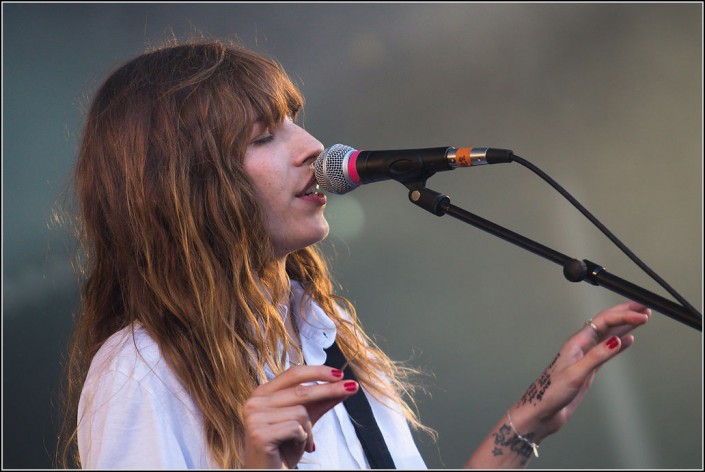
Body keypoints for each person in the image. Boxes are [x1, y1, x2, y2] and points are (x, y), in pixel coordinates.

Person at [57, 38, 652, 469]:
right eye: (264, 136)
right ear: (183, 183)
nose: (312, 147)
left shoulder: (323, 329)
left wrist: (524, 424)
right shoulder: (141, 370)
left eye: (294, 121)